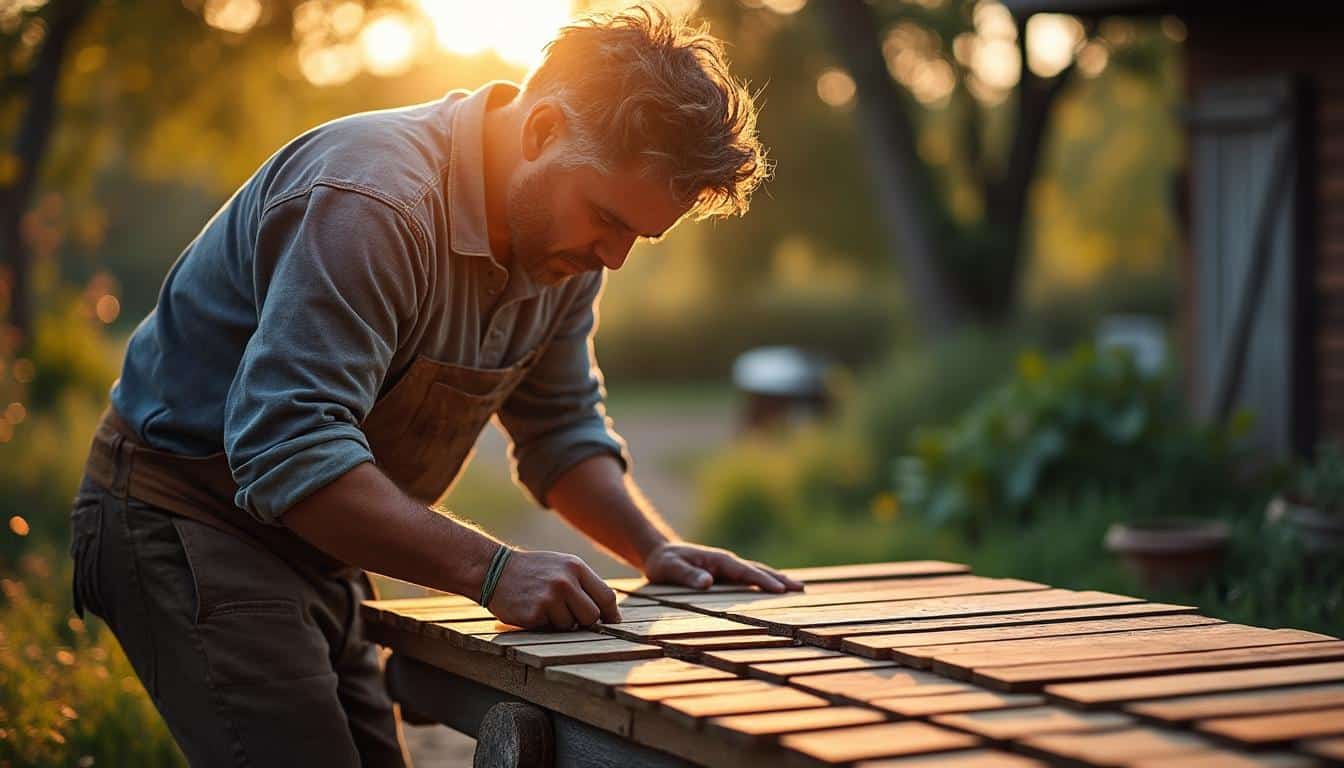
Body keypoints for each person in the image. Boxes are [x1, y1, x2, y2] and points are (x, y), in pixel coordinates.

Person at [68, 5, 802, 766]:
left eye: (638, 238)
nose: (613, 258)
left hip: (321, 542)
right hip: (187, 516)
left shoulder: (568, 249)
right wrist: (493, 572)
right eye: (607, 219)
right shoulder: (375, 202)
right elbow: (290, 451)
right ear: (543, 131)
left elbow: (558, 431)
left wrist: (656, 549)